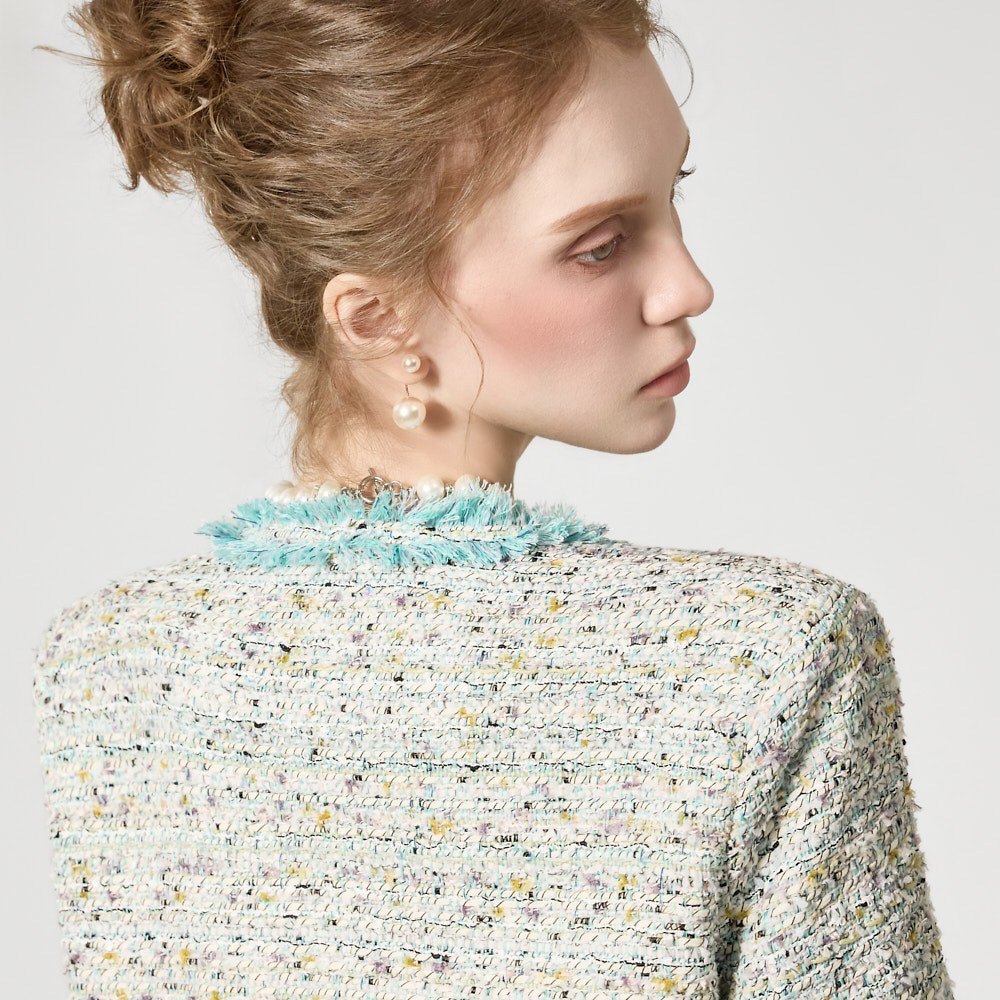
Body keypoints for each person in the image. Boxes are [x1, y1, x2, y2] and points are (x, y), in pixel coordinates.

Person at [32, 1, 955, 996]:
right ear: (376, 319)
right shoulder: (770, 660)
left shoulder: (111, 670)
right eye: (600, 245)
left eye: (672, 195)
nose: (688, 286)